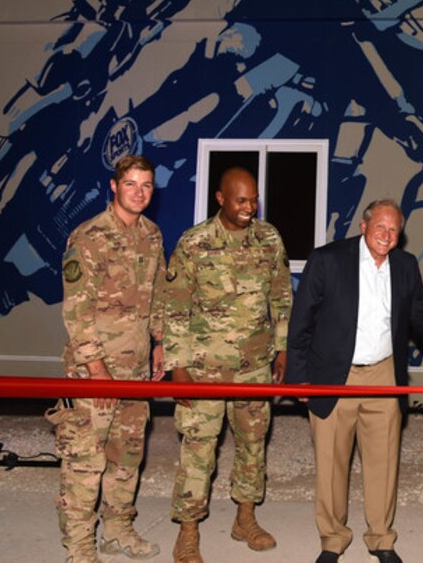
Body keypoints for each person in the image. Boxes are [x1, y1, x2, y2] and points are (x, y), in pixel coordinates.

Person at [286, 198, 423, 563]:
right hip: (333, 376)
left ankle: (381, 539)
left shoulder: (405, 266)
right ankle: (332, 540)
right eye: (380, 228)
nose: (386, 236)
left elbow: (422, 320)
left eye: (394, 231)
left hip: (384, 376)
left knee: (383, 462)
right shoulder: (328, 260)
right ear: (364, 226)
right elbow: (301, 323)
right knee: (330, 465)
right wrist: (300, 380)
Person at [156, 167, 292, 563]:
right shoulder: (195, 243)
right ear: (220, 198)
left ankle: (244, 519)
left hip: (254, 366)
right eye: (241, 200)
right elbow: (175, 306)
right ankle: (188, 531)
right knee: (199, 450)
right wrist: (177, 366)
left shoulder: (268, 238)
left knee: (252, 446)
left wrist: (282, 349)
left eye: (254, 199)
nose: (249, 207)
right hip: (203, 369)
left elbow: (281, 295)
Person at [47, 154, 165, 563]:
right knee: (85, 462)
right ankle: (80, 548)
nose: (139, 192)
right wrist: (96, 371)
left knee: (127, 458)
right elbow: (76, 311)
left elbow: (157, 297)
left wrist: (161, 342)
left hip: (136, 372)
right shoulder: (89, 236)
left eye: (146, 185)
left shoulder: (151, 235)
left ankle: (117, 530)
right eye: (131, 184)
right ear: (113, 187)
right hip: (95, 370)